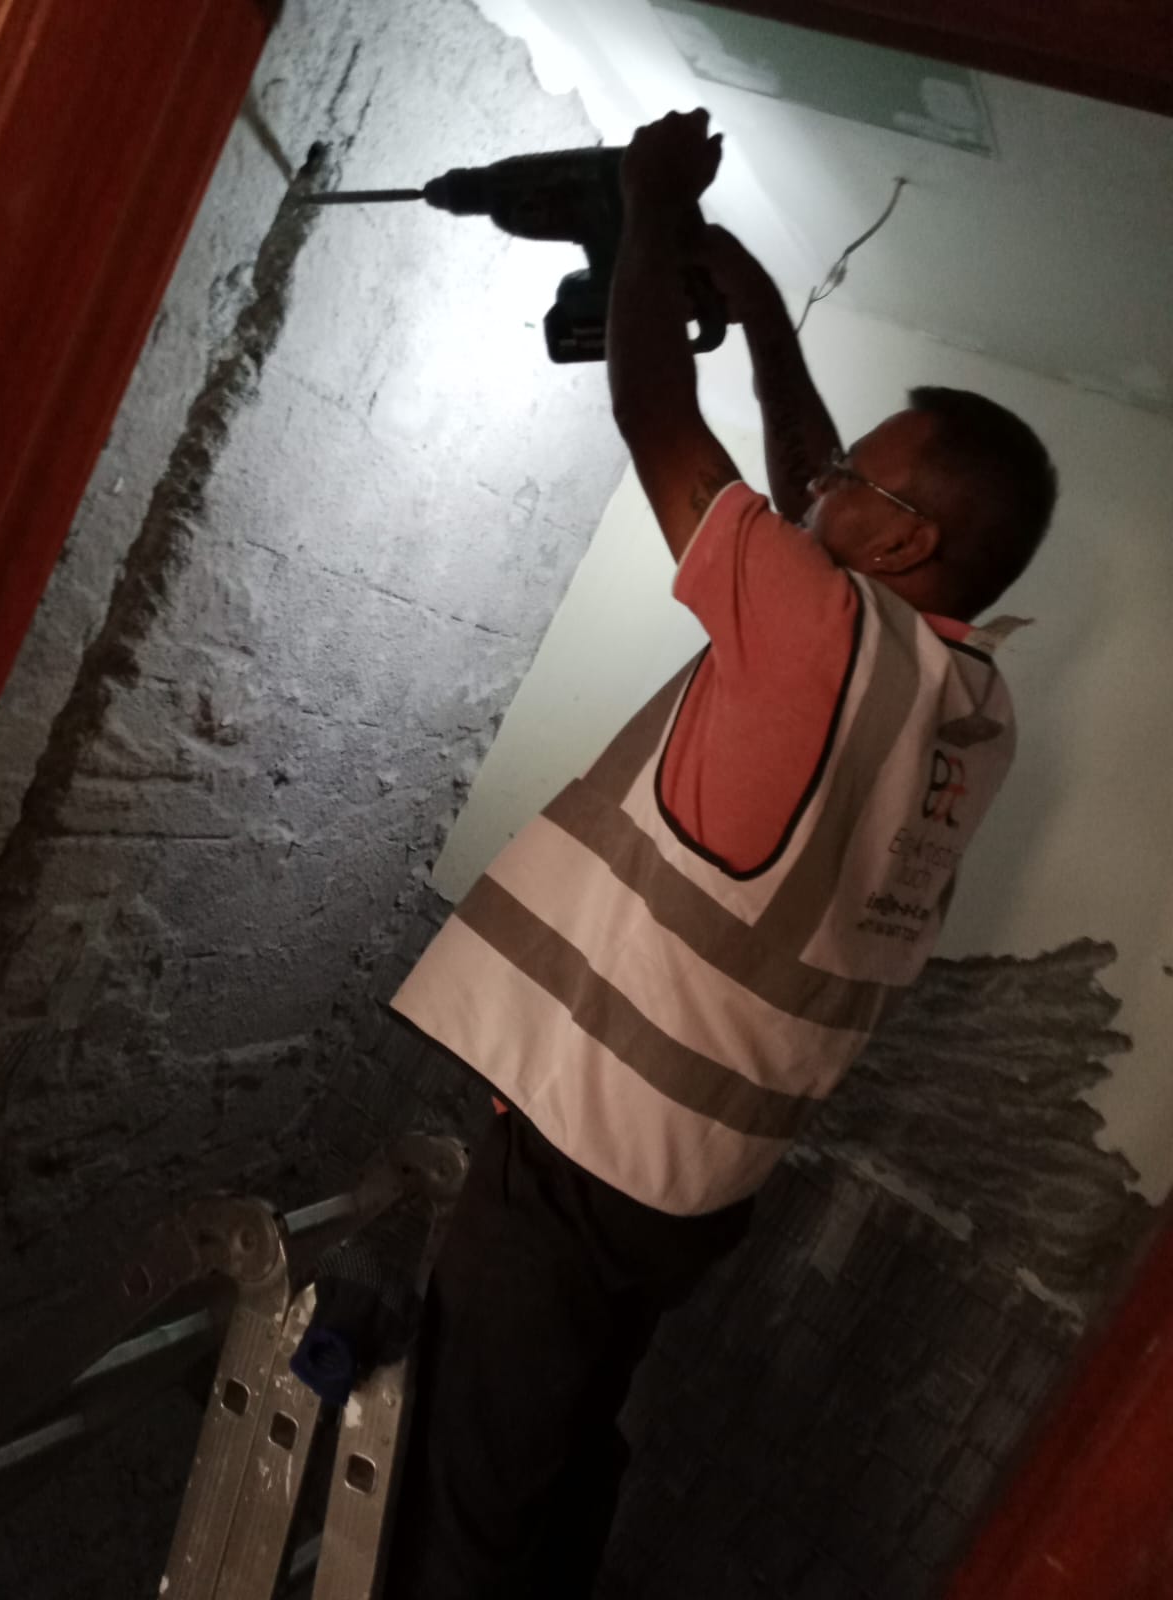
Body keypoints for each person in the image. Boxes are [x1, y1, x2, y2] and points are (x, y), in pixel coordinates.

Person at [384, 109, 1058, 1597]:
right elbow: (816, 482)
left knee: (466, 1515)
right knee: (557, 1458)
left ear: (899, 547)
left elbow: (652, 412)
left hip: (583, 1163)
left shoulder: (817, 637)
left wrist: (644, 212)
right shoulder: (967, 703)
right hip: (690, 1190)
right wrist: (755, 305)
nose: (818, 485)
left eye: (857, 482)